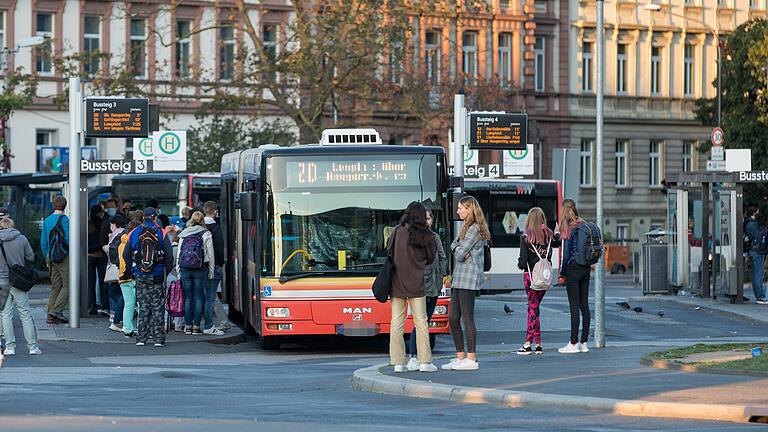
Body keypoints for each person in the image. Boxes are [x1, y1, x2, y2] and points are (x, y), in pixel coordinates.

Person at [389, 201, 437, 373]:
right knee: (421, 322)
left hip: (397, 284)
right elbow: (431, 259)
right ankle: (425, 362)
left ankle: (398, 363)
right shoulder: (428, 236)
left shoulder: (397, 232)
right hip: (417, 285)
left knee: (397, 322)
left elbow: (389, 252)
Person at [443, 195, 489, 371]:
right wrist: (460, 249)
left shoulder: (475, 228)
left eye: (460, 208)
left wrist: (461, 250)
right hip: (459, 276)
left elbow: (459, 253)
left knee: (467, 318)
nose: (457, 211)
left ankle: (471, 358)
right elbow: (454, 246)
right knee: (453, 318)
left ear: (469, 209)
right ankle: (460, 356)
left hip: (469, 279)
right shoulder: (465, 226)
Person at [123, 208, 174, 347]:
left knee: (143, 306)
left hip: (140, 274)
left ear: (143, 217)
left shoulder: (134, 232)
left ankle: (141, 338)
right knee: (157, 306)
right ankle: (158, 338)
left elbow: (126, 254)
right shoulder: (161, 232)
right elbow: (170, 257)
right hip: (157, 274)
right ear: (154, 218)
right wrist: (165, 271)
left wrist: (133, 269)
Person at [406, 207, 447, 371]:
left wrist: (441, 276)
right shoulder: (411, 238)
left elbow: (442, 258)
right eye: (425, 218)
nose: (427, 221)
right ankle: (414, 357)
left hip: (432, 287)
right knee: (420, 322)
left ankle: (417, 358)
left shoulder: (434, 237)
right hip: (418, 287)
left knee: (424, 321)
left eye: (430, 218)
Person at [516, 207, 561, 355]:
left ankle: (531, 344)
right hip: (545, 278)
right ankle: (535, 344)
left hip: (531, 279)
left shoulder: (525, 238)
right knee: (533, 309)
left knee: (533, 309)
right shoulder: (549, 237)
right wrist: (557, 232)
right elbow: (558, 242)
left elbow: (523, 263)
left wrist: (519, 262)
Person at [0, 217, 41, 355]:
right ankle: (32, 347)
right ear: (13, 226)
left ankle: (9, 347)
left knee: (5, 314)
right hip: (18, 280)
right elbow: (31, 257)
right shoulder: (22, 238)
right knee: (25, 313)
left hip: (2, 280)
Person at [557, 198, 591, 354]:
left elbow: (566, 255)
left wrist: (562, 273)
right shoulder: (583, 224)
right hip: (586, 268)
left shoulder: (568, 228)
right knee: (585, 305)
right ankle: (584, 343)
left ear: (564, 211)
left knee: (574, 307)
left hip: (573, 269)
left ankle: (573, 343)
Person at [176, 211, 214, 335]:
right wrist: (211, 272)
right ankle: (196, 327)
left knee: (188, 298)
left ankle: (187, 326)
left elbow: (179, 254)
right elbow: (210, 254)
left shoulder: (184, 233)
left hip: (185, 268)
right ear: (202, 220)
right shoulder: (206, 233)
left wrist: (178, 271)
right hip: (199, 268)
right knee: (199, 297)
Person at [41, 195, 69, 324]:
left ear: (53, 205)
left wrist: (47, 256)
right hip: (63, 257)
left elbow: (43, 242)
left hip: (51, 257)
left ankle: (50, 316)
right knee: (69, 285)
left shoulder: (47, 221)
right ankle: (57, 310)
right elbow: (68, 239)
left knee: (55, 287)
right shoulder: (64, 220)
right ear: (65, 206)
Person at [203, 201, 228, 335]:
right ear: (215, 211)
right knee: (211, 296)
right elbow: (219, 249)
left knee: (205, 296)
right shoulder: (215, 228)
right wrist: (220, 264)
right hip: (213, 266)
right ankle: (213, 324)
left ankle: (192, 325)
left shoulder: (197, 227)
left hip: (198, 267)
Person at [118, 213, 143, 338]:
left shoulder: (121, 242)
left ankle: (127, 328)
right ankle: (141, 328)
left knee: (128, 304)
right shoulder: (135, 243)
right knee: (141, 303)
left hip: (123, 276)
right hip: (134, 275)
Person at [104, 215, 128, 332]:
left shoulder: (116, 235)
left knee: (116, 293)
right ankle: (118, 316)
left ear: (115, 224)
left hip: (115, 268)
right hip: (120, 268)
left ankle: (116, 317)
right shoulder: (124, 233)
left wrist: (106, 247)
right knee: (120, 293)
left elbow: (112, 250)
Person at [745, 206, 768, 304]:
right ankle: (760, 296)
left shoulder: (748, 223)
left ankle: (760, 296)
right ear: (754, 213)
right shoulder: (752, 224)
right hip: (757, 251)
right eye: (758, 211)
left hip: (754, 250)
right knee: (758, 274)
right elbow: (759, 235)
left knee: (757, 273)